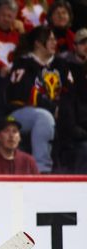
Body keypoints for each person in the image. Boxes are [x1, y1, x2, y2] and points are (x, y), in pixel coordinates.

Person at [6, 25, 72, 172]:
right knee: (44, 117)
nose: (54, 43)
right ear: (37, 42)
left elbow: (70, 93)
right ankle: (42, 170)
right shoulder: (24, 63)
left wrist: (63, 111)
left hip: (56, 112)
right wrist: (53, 108)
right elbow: (25, 94)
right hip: (20, 113)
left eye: (55, 39)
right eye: (50, 39)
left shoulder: (61, 64)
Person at [58, 27, 87, 171]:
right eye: (83, 43)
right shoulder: (65, 67)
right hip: (75, 129)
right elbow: (67, 104)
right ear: (74, 46)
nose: (86, 47)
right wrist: (75, 129)